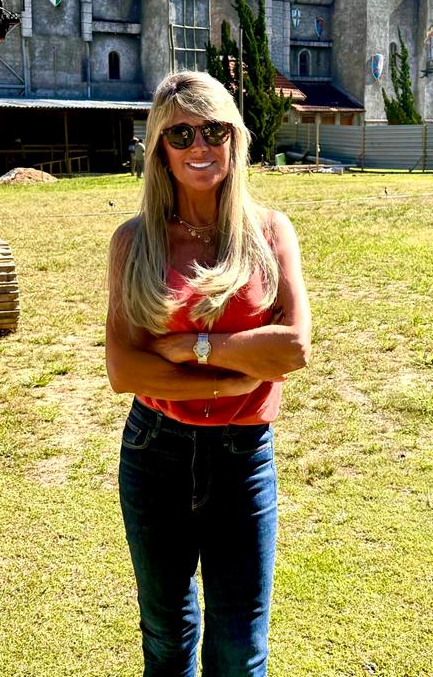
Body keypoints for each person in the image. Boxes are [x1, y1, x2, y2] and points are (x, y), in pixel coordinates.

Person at [106, 70, 311, 676]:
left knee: (240, 648)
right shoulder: (134, 242)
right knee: (167, 636)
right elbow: (124, 369)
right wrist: (235, 370)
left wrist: (190, 348)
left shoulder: (271, 232)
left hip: (243, 458)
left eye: (214, 129)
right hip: (154, 453)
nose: (200, 145)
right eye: (181, 134)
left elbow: (293, 348)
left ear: (235, 138)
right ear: (159, 151)